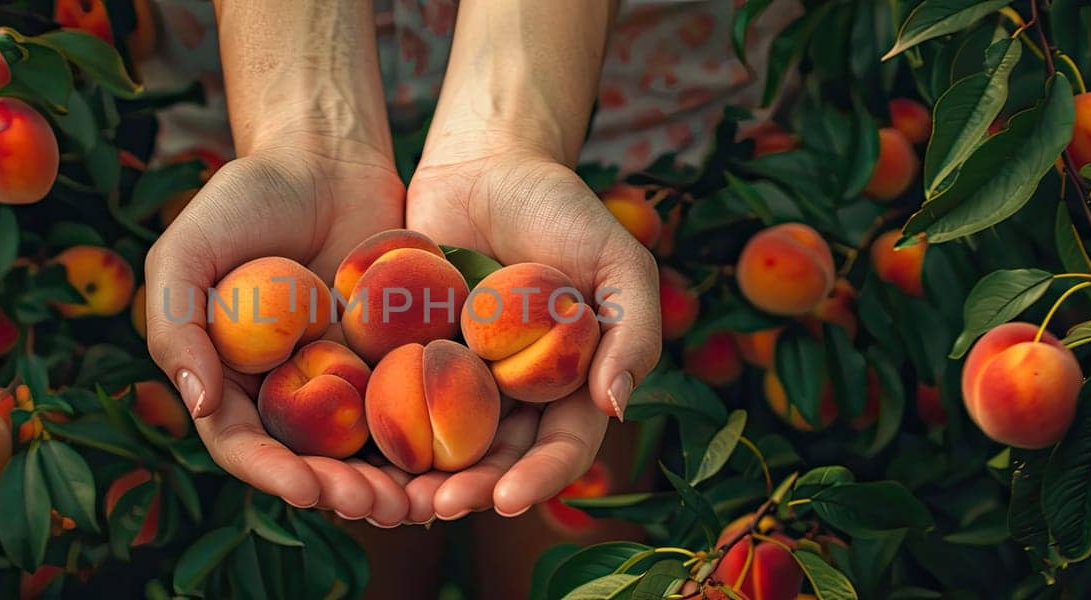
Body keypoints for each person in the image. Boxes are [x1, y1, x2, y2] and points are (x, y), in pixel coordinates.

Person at [139, 0, 798, 529]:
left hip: (608, 77)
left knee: (557, 515)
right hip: (258, 61)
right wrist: (303, 140)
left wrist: (507, 140)